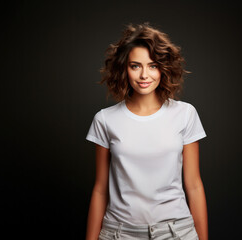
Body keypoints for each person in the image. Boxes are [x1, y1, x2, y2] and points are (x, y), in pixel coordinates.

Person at [85, 22, 208, 240]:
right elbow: (100, 189)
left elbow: (194, 185)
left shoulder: (185, 114)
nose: (144, 75)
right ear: (124, 68)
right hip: (119, 234)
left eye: (152, 65)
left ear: (163, 68)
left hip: (177, 233)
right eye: (135, 66)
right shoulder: (105, 119)